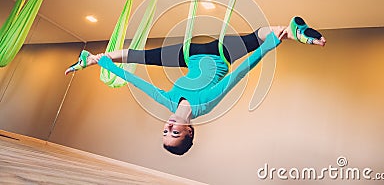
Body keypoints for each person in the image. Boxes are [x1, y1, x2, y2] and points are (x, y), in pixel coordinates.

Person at [65, 17, 326, 155]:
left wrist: (99, 64)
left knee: (140, 56)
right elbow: (239, 74)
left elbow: (134, 79)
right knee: (259, 37)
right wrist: (268, 48)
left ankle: (88, 59)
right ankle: (296, 32)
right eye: (174, 133)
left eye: (165, 132)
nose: (168, 127)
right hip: (219, 53)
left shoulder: (167, 102)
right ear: (189, 132)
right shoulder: (206, 104)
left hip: (188, 54)